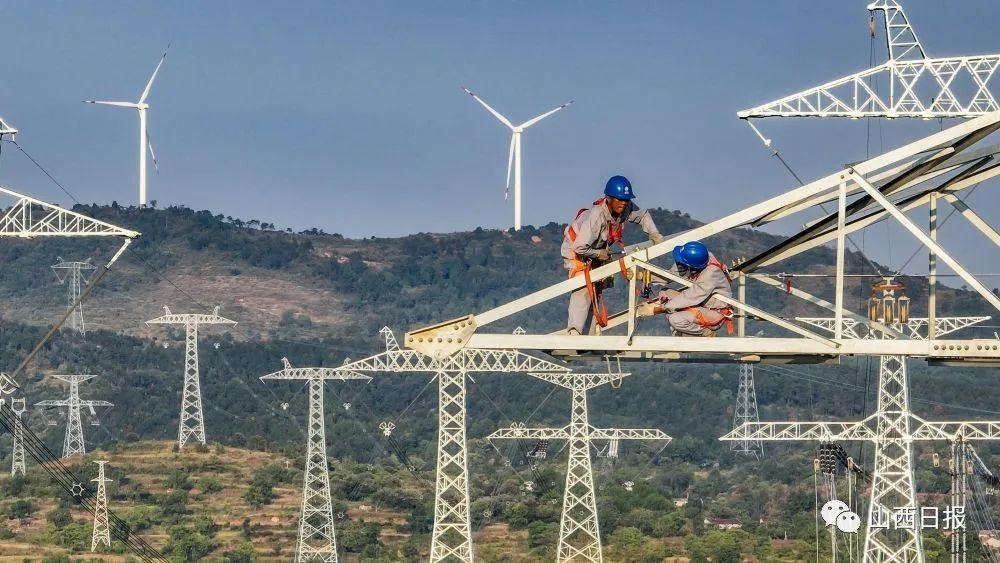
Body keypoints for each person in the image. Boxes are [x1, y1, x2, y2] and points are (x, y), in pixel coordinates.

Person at [562, 175, 664, 335]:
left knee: (597, 286)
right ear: (608, 198)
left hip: (596, 250)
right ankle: (574, 332)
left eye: (626, 200)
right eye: (619, 200)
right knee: (582, 285)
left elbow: (642, 215)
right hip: (576, 250)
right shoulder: (597, 216)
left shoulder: (625, 208)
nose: (623, 203)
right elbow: (579, 246)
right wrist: (598, 254)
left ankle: (588, 334)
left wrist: (654, 234)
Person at [639, 241, 733, 336]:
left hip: (714, 313)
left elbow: (689, 297)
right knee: (665, 294)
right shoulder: (702, 258)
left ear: (691, 267)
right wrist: (646, 277)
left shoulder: (710, 274)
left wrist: (656, 310)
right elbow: (673, 273)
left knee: (675, 319)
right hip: (702, 303)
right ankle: (680, 330)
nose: (679, 266)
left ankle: (706, 333)